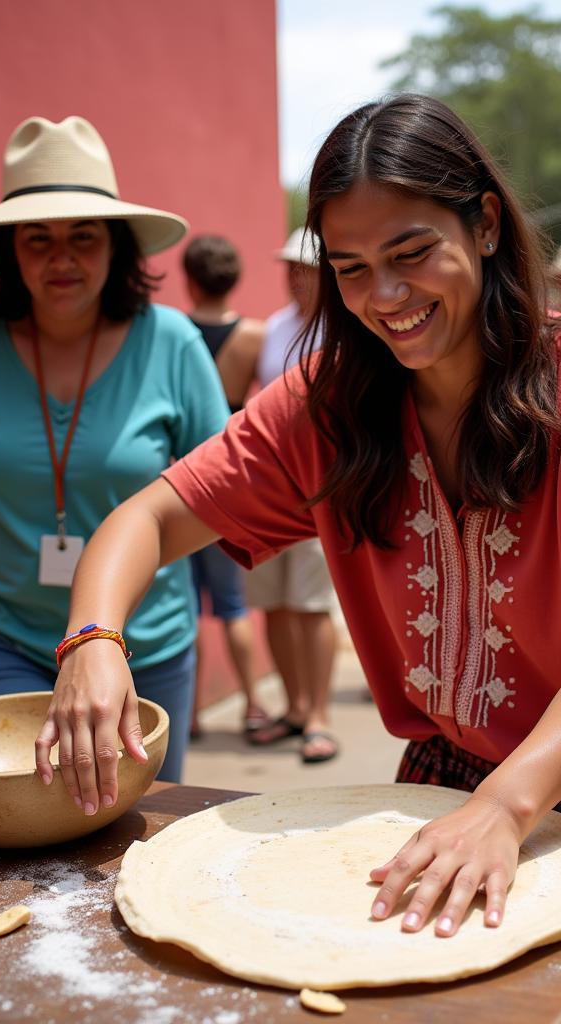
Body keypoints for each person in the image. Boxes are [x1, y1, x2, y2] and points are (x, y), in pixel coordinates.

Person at [37, 95, 561, 1022]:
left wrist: (508, 811)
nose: (382, 297)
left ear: (481, 224)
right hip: (445, 792)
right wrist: (94, 640)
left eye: (409, 253)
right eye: (350, 268)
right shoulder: (329, 403)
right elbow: (144, 520)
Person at [0, 116, 229, 785]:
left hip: (147, 646)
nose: (61, 258)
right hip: (9, 637)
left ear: (118, 247)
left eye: (83, 237)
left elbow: (220, 493)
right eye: (37, 238)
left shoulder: (174, 343)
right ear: (8, 251)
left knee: (133, 833)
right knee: (13, 830)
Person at [225, 228, 340, 764]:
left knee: (312, 606)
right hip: (273, 489)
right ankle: (293, 708)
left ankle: (319, 714)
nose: (297, 277)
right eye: (291, 268)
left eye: (307, 268)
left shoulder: (347, 327)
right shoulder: (272, 328)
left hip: (323, 487)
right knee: (272, 604)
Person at [181, 234, 268, 737]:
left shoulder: (176, 334)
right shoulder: (253, 336)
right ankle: (254, 703)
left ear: (190, 278)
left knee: (186, 604)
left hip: (182, 474)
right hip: (228, 477)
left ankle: (189, 713)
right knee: (233, 603)